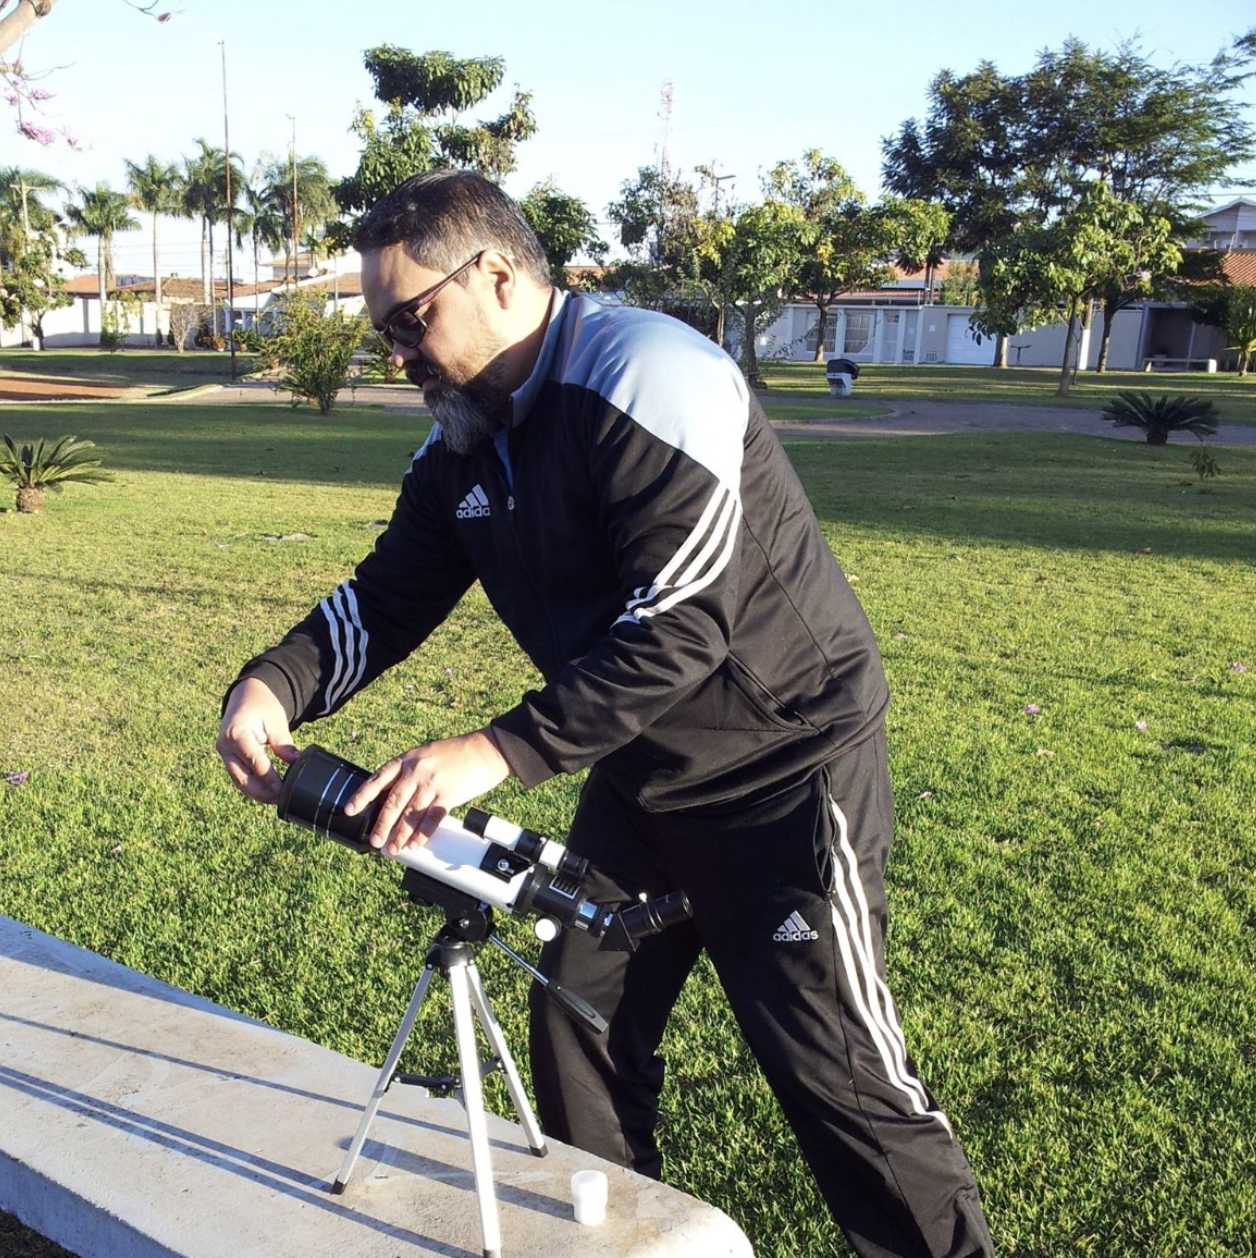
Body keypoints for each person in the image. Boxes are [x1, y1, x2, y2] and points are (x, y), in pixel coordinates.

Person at [216, 169, 994, 1258]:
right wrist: (274, 683)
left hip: (784, 770)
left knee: (835, 1073)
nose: (396, 351)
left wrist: (493, 750)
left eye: (410, 319)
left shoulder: (649, 375)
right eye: (382, 330)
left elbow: (683, 628)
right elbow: (389, 592)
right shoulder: (463, 430)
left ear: (494, 273)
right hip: (637, 779)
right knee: (578, 1019)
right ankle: (614, 1241)